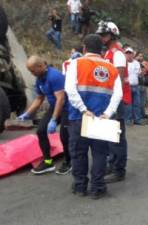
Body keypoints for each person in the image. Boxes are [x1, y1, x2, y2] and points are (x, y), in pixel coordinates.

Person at [65, 34, 123, 199]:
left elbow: (70, 90)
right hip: (102, 119)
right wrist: (108, 113)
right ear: (101, 50)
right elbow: (117, 95)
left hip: (79, 117)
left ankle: (80, 186)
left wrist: (84, 109)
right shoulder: (111, 68)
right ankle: (97, 187)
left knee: (78, 153)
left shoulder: (75, 63)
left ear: (84, 48)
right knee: (100, 154)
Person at [18, 56, 71, 175]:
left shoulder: (54, 76)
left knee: (64, 136)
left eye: (32, 70)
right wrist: (27, 113)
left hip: (67, 108)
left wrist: (53, 120)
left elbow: (61, 99)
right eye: (29, 71)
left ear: (41, 66)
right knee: (41, 131)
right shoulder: (39, 79)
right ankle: (48, 162)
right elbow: (39, 98)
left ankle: (69, 161)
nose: (32, 73)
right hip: (55, 106)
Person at [96, 21, 131, 183]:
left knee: (116, 136)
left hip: (115, 100)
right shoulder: (108, 53)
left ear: (112, 35)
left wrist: (112, 102)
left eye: (104, 34)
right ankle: (112, 164)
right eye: (101, 35)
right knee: (109, 136)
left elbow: (118, 79)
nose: (101, 37)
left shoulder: (117, 53)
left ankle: (119, 170)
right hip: (108, 100)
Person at [125, 47, 143, 125]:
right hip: (127, 86)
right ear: (125, 54)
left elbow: (139, 73)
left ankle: (137, 120)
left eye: (130, 53)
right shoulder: (123, 63)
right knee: (128, 104)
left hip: (136, 86)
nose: (129, 55)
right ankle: (128, 120)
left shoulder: (136, 63)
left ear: (133, 54)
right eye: (127, 53)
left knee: (137, 104)